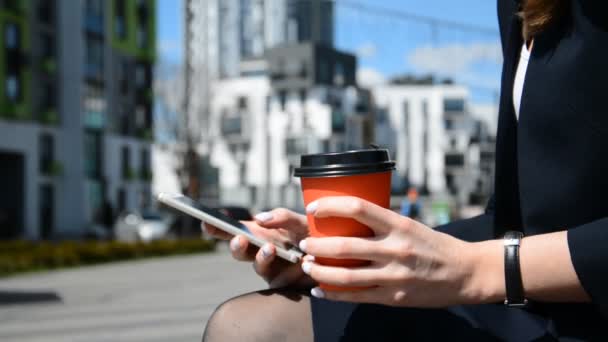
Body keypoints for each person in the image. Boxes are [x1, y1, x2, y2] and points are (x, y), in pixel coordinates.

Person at [202, 0, 608, 340]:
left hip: (577, 309)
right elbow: (511, 220)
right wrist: (356, 252)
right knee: (248, 328)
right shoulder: (525, 7)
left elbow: (489, 258)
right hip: (534, 303)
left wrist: (480, 270)